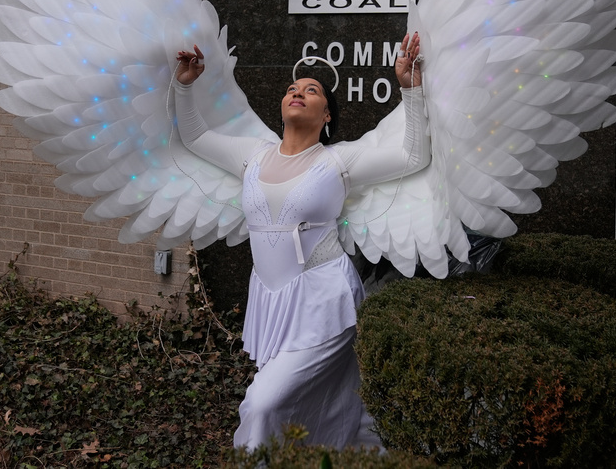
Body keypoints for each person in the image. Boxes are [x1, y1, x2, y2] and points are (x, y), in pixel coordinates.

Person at [172, 32, 429, 450]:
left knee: (264, 403)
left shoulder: (337, 161)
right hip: (273, 303)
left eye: (312, 91)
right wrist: (185, 85)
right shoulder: (253, 154)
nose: (298, 92)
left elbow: (413, 156)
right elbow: (195, 137)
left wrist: (411, 89)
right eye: (293, 88)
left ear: (327, 115)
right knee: (300, 401)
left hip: (324, 301)